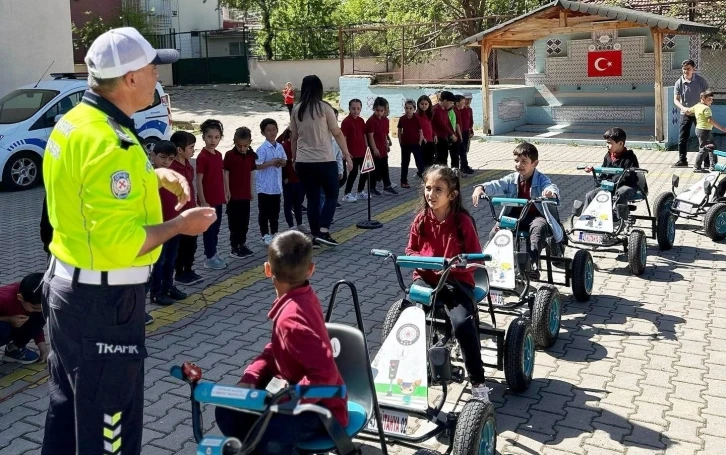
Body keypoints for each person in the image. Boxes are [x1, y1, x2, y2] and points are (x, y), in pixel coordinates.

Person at [41, 27, 216, 455]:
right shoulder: (109, 142)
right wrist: (179, 226)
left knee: (67, 415)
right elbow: (120, 243)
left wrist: (151, 175)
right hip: (105, 302)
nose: (158, 73)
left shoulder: (77, 123)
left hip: (69, 292)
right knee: (110, 428)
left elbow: (85, 194)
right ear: (130, 79)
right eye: (152, 66)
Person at [215, 231, 348, 452]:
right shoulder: (299, 298)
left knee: (267, 439)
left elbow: (325, 376)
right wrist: (253, 375)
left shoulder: (292, 318)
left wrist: (284, 402)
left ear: (267, 270)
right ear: (311, 270)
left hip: (323, 410)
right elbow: (278, 349)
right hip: (302, 398)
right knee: (229, 411)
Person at [406, 165, 489, 400]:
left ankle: (478, 382)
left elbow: (476, 256)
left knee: (462, 323)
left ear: (452, 195)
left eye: (438, 190)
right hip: (427, 281)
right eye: (428, 188)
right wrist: (421, 261)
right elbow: (410, 250)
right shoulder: (421, 220)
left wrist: (458, 264)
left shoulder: (462, 221)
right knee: (408, 321)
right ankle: (410, 372)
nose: (430, 194)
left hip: (456, 282)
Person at [472, 142, 561, 280]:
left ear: (535, 163)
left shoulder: (542, 179)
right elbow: (498, 184)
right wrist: (481, 187)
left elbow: (550, 187)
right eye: (516, 161)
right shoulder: (512, 179)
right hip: (515, 216)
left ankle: (532, 264)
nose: (519, 165)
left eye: (524, 161)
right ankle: (492, 264)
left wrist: (550, 193)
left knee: (537, 231)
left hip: (536, 216)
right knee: (495, 232)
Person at [289, 75, 353, 247]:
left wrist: (294, 159)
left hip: (303, 162)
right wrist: (346, 154)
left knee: (312, 199)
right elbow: (337, 133)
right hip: (324, 160)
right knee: (332, 194)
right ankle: (324, 230)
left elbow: (293, 138)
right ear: (320, 89)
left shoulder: (297, 109)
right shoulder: (325, 108)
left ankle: (315, 236)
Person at [148, 141, 188, 305]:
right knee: (160, 260)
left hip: (173, 223)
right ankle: (156, 293)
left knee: (171, 259)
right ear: (153, 156)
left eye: (170, 159)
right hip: (158, 226)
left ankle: (168, 287)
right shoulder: (149, 175)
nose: (166, 162)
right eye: (162, 157)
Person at [170, 131, 204, 286]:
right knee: (181, 246)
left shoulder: (189, 165)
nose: (193, 151)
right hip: (179, 215)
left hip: (191, 212)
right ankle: (180, 272)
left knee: (192, 244)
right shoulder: (173, 169)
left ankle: (189, 269)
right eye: (191, 147)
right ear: (179, 150)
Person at [581, 128, 640, 210]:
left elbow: (629, 176)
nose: (607, 145)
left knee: (620, 193)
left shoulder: (630, 158)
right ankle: (585, 219)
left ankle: (618, 217)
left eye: (609, 143)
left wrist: (612, 182)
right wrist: (598, 177)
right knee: (590, 195)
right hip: (610, 185)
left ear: (620, 143)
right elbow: (604, 171)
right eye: (606, 143)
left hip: (627, 186)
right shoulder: (608, 156)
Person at [197, 119, 228, 270]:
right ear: (203, 137)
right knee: (209, 230)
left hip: (218, 198)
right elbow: (199, 180)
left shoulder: (218, 155)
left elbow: (221, 176)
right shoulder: (202, 157)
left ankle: (213, 253)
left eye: (216, 137)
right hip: (207, 201)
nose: (213, 140)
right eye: (209, 137)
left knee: (216, 228)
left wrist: (226, 191)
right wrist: (202, 200)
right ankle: (209, 257)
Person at [0, 273, 47, 364]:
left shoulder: (33, 298)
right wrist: (8, 319)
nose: (38, 310)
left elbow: (36, 323)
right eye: (34, 308)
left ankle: (14, 350)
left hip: (11, 324)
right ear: (20, 297)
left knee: (42, 315)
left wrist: (42, 347)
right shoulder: (4, 298)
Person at [224, 127, 257, 258]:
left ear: (250, 143)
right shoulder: (229, 155)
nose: (242, 149)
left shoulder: (250, 156)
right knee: (234, 222)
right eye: (239, 146)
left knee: (245, 222)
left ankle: (242, 244)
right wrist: (227, 190)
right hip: (233, 195)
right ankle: (234, 246)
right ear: (234, 142)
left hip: (245, 194)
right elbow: (225, 173)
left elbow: (251, 174)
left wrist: (251, 190)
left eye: (245, 146)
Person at [674, 59, 710, 168]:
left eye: (688, 69)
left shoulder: (701, 81)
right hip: (686, 113)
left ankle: (707, 161)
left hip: (699, 114)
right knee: (682, 138)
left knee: (703, 138)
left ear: (693, 69)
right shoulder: (679, 82)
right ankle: (682, 160)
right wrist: (683, 108)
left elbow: (708, 96)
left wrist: (704, 107)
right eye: (684, 69)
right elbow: (676, 100)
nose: (686, 71)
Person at [257, 118, 287, 245]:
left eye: (274, 129)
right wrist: (271, 163)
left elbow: (285, 161)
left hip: (276, 186)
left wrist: (281, 162)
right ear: (263, 132)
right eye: (268, 130)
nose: (272, 132)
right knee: (264, 212)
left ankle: (274, 232)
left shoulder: (279, 146)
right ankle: (264, 234)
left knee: (275, 211)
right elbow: (257, 165)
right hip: (264, 187)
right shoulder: (262, 149)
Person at [366, 97, 397, 196]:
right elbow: (370, 136)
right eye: (377, 110)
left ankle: (387, 186)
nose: (379, 113)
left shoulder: (385, 120)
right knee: (374, 169)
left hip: (382, 148)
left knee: (384, 167)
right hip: (375, 148)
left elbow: (384, 134)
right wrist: (374, 149)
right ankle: (372, 188)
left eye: (381, 111)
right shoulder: (371, 121)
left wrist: (386, 143)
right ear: (374, 109)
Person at [279, 127, 308, 232]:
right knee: (288, 203)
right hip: (289, 180)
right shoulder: (283, 146)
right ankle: (291, 225)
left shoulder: (300, 146)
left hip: (299, 179)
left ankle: (300, 223)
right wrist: (284, 177)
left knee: (298, 203)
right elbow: (282, 164)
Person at [341, 98, 369, 203]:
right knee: (353, 173)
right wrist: (346, 152)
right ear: (349, 108)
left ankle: (360, 191)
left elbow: (364, 134)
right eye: (353, 108)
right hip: (352, 153)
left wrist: (367, 148)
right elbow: (343, 137)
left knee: (365, 172)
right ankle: (347, 194)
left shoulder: (361, 121)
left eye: (358, 108)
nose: (356, 111)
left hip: (362, 151)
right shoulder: (346, 122)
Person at [692, 90, 726, 172]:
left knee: (713, 147)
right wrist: (722, 128)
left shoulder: (697, 106)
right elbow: (710, 120)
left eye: (712, 99)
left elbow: (689, 111)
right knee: (704, 149)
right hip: (704, 131)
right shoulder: (706, 108)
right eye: (709, 99)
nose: (711, 101)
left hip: (701, 130)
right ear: (703, 99)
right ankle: (697, 167)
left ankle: (713, 165)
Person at [398, 99, 424, 188]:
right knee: (405, 163)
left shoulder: (417, 118)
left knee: (419, 162)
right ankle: (403, 181)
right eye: (406, 108)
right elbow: (399, 130)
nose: (408, 110)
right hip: (405, 145)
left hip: (416, 144)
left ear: (414, 109)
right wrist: (400, 141)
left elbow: (420, 131)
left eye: (410, 108)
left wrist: (420, 142)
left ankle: (424, 178)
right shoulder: (402, 119)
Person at [432, 91, 458, 167]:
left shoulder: (445, 109)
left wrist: (453, 133)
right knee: (440, 158)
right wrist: (451, 134)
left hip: (444, 137)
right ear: (445, 101)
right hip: (437, 137)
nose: (451, 105)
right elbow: (442, 124)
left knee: (444, 157)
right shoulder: (436, 109)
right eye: (450, 103)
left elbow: (448, 122)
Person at [417, 95, 436, 167]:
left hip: (430, 140)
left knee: (430, 160)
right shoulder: (416, 115)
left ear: (429, 104)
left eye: (426, 104)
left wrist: (434, 134)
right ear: (418, 104)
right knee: (423, 160)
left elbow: (431, 126)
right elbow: (416, 128)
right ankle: (421, 174)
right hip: (422, 140)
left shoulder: (429, 114)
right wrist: (421, 137)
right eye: (422, 104)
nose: (424, 106)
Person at [459, 93, 475, 174]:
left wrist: (471, 130)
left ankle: (463, 165)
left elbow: (470, 121)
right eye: (466, 99)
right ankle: (464, 166)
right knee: (462, 150)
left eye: (470, 99)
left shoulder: (469, 109)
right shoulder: (460, 109)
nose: (468, 101)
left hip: (466, 132)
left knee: (465, 149)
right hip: (460, 132)